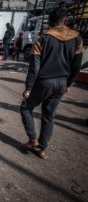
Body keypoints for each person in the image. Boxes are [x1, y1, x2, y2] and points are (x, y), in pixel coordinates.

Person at [20, 5, 83, 159]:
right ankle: (42, 149)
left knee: (25, 108)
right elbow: (76, 66)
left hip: (43, 82)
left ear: (49, 21)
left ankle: (32, 139)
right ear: (65, 20)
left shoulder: (42, 39)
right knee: (49, 115)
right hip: (61, 83)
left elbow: (34, 68)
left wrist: (28, 88)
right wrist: (68, 84)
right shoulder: (77, 38)